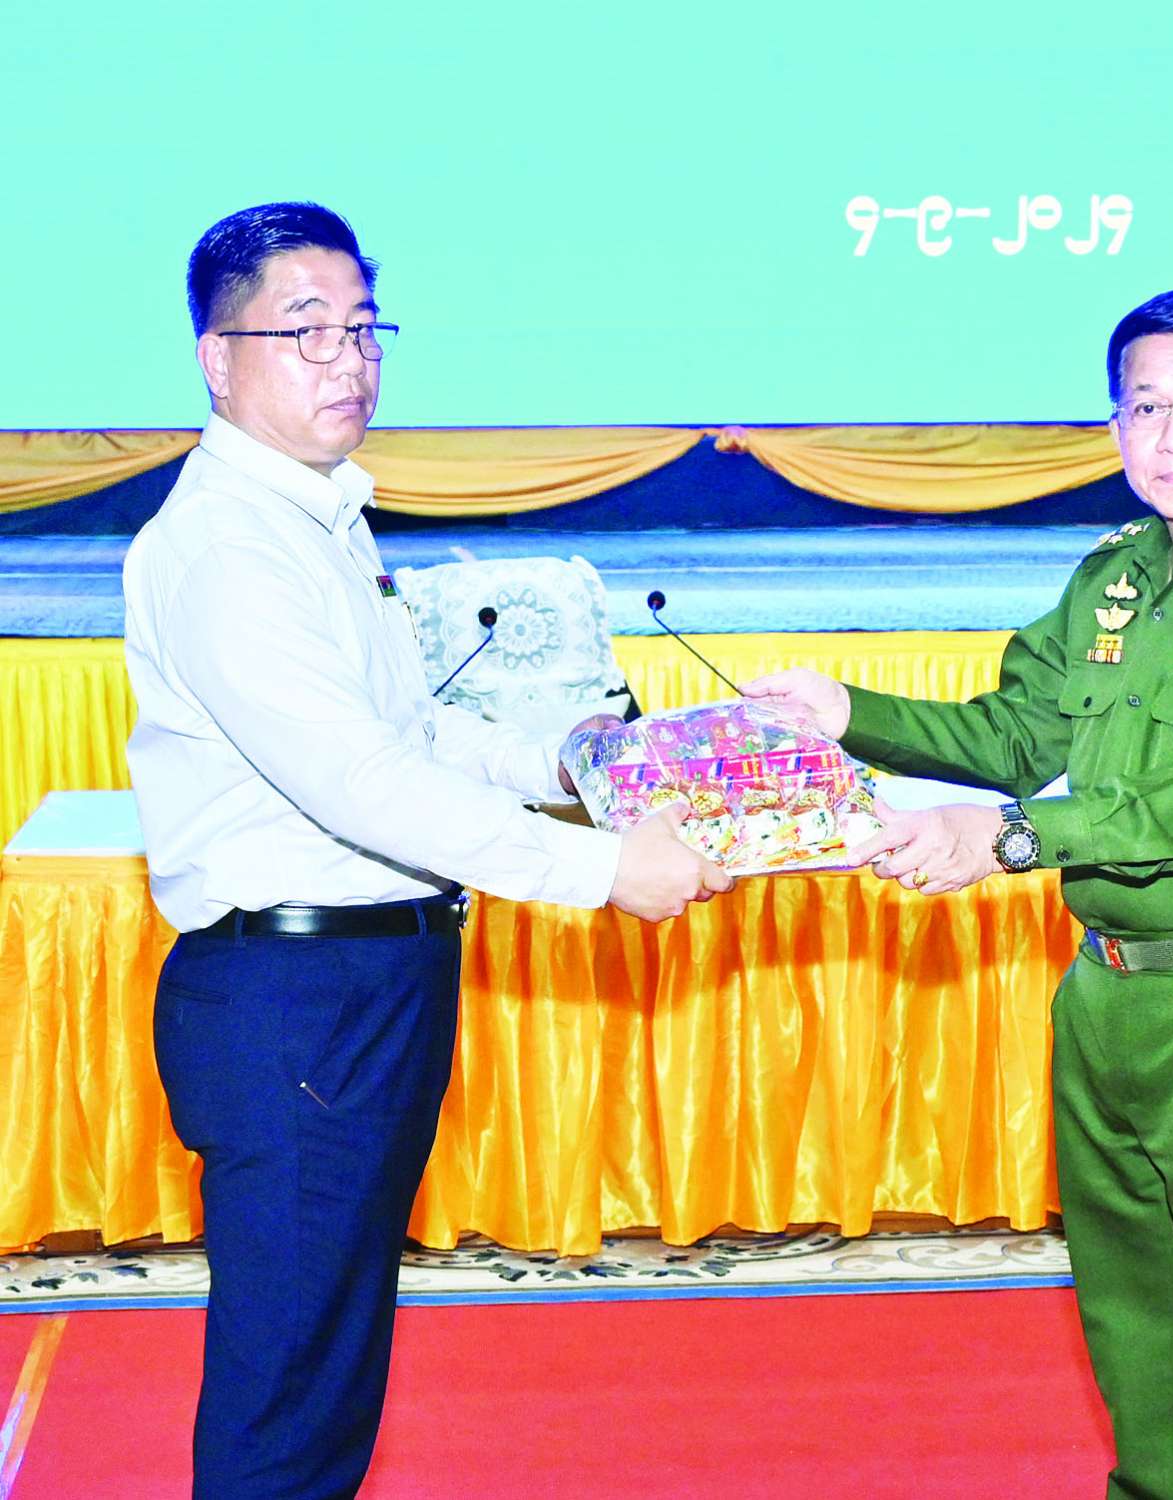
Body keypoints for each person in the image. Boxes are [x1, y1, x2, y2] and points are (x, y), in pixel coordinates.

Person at [743, 286, 1173, 1498]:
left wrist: (1002, 841)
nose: (1172, 436)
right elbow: (1013, 733)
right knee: (1140, 1328)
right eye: (1144, 408)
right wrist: (846, 712)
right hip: (1106, 994)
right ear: (1112, 428)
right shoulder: (1114, 575)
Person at [123, 201, 731, 1500]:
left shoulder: (314, 518)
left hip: (359, 985)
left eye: (362, 329)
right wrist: (601, 871)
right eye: (304, 331)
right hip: (296, 1000)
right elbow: (356, 782)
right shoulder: (226, 547)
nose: (346, 360)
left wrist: (566, 767)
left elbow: (410, 727)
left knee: (326, 1361)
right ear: (216, 358)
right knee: (289, 1385)